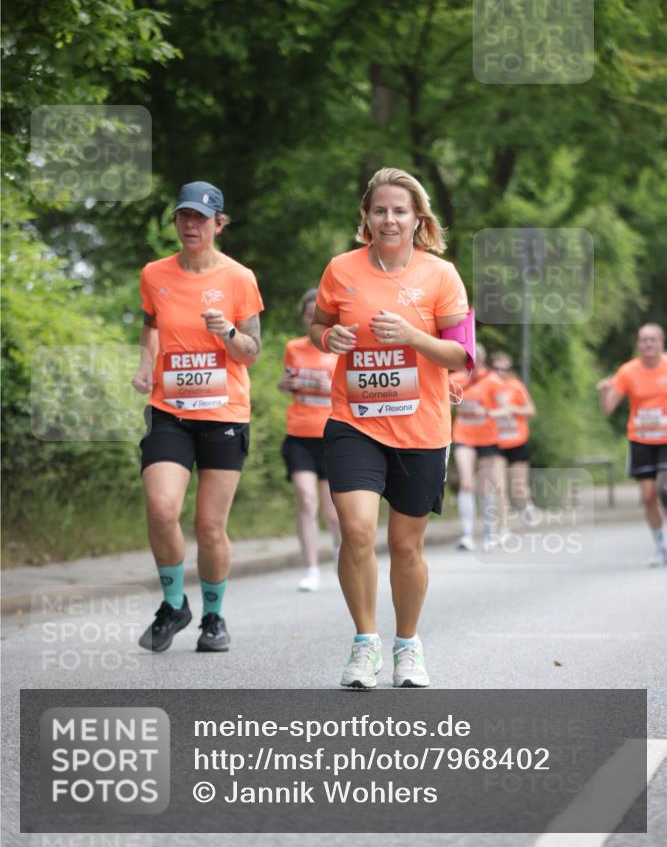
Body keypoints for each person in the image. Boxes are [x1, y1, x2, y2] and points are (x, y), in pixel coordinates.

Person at [310, 167, 469, 689]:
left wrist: (411, 336)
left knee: (406, 546)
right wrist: (327, 338)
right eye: (380, 210)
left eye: (400, 210)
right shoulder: (341, 268)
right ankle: (364, 643)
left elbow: (461, 353)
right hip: (353, 421)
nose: (390, 218)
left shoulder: (440, 275)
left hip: (421, 427)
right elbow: (319, 324)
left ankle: (408, 645)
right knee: (355, 530)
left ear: (417, 217)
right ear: (367, 217)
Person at [131, 181, 264, 651]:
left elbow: (250, 353)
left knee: (209, 526)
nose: (191, 225)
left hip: (224, 412)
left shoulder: (239, 278)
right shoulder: (155, 274)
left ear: (218, 224)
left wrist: (227, 331)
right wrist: (146, 365)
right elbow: (150, 323)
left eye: (201, 218)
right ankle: (173, 605)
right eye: (184, 217)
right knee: (162, 507)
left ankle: (213, 617)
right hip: (169, 410)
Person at [279, 288, 340, 592]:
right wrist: (285, 384)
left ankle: (342, 557)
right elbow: (287, 384)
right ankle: (311, 568)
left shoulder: (339, 350)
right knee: (305, 499)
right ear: (304, 319)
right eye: (307, 315)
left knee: (332, 510)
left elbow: (351, 391)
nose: (311, 319)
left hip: (331, 436)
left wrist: (328, 384)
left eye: (317, 315)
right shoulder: (294, 347)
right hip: (299, 434)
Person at [597, 322, 667, 566]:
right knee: (649, 496)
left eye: (653, 340)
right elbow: (608, 409)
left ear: (661, 343)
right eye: (643, 340)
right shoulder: (628, 371)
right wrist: (603, 392)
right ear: (638, 344)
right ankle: (660, 547)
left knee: (665, 489)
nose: (648, 344)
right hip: (640, 440)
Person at [450, 345, 504, 552]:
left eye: (475, 359)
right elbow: (443, 403)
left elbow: (505, 409)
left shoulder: (492, 381)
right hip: (463, 435)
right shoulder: (454, 379)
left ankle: (490, 534)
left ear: (481, 360)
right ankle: (467, 535)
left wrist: (487, 412)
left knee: (485, 485)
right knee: (465, 483)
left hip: (487, 437)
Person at [489, 352, 537, 537]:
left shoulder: (516, 386)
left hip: (517, 442)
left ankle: (527, 506)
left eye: (505, 369)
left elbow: (531, 410)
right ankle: (503, 527)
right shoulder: (488, 388)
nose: (501, 373)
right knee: (499, 486)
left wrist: (513, 409)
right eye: (497, 369)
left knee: (518, 487)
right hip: (496, 444)